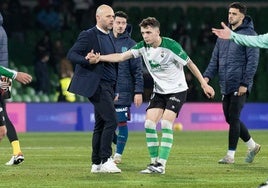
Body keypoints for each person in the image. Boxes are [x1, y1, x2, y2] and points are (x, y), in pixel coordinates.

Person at [87, 17, 215, 174]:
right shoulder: (142, 47)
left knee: (167, 124)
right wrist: (99, 58)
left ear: (157, 32)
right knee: (148, 124)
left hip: (177, 90)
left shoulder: (171, 46)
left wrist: (203, 84)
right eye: (142, 33)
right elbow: (121, 57)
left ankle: (161, 165)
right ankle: (154, 163)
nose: (145, 36)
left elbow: (190, 63)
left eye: (148, 32)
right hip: (159, 91)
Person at [203, 2, 260, 164]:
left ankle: (230, 155)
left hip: (240, 83)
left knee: (234, 117)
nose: (230, 16)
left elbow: (253, 61)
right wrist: (206, 77)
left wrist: (245, 83)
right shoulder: (224, 34)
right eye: (229, 13)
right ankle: (253, 146)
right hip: (225, 83)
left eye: (234, 14)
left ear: (242, 16)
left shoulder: (250, 34)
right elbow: (215, 59)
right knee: (229, 118)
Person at [67, 4, 121, 173]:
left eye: (113, 16)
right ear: (98, 18)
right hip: (97, 85)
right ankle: (106, 159)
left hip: (109, 86)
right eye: (108, 16)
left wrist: (116, 88)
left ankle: (96, 163)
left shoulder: (111, 36)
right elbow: (72, 54)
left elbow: (113, 65)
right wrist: (86, 59)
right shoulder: (88, 35)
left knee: (100, 124)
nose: (112, 19)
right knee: (112, 120)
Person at [110, 11, 144, 164]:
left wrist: (138, 91)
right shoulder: (104, 40)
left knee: (121, 123)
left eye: (123, 23)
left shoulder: (131, 44)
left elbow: (137, 71)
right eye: (118, 22)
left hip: (123, 90)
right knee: (106, 123)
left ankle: (118, 155)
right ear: (112, 23)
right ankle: (118, 143)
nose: (121, 26)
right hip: (106, 89)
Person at [0, 12, 32, 165]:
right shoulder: (2, 30)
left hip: (3, 73)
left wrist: (14, 74)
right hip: (3, 77)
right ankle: (17, 151)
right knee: (3, 114)